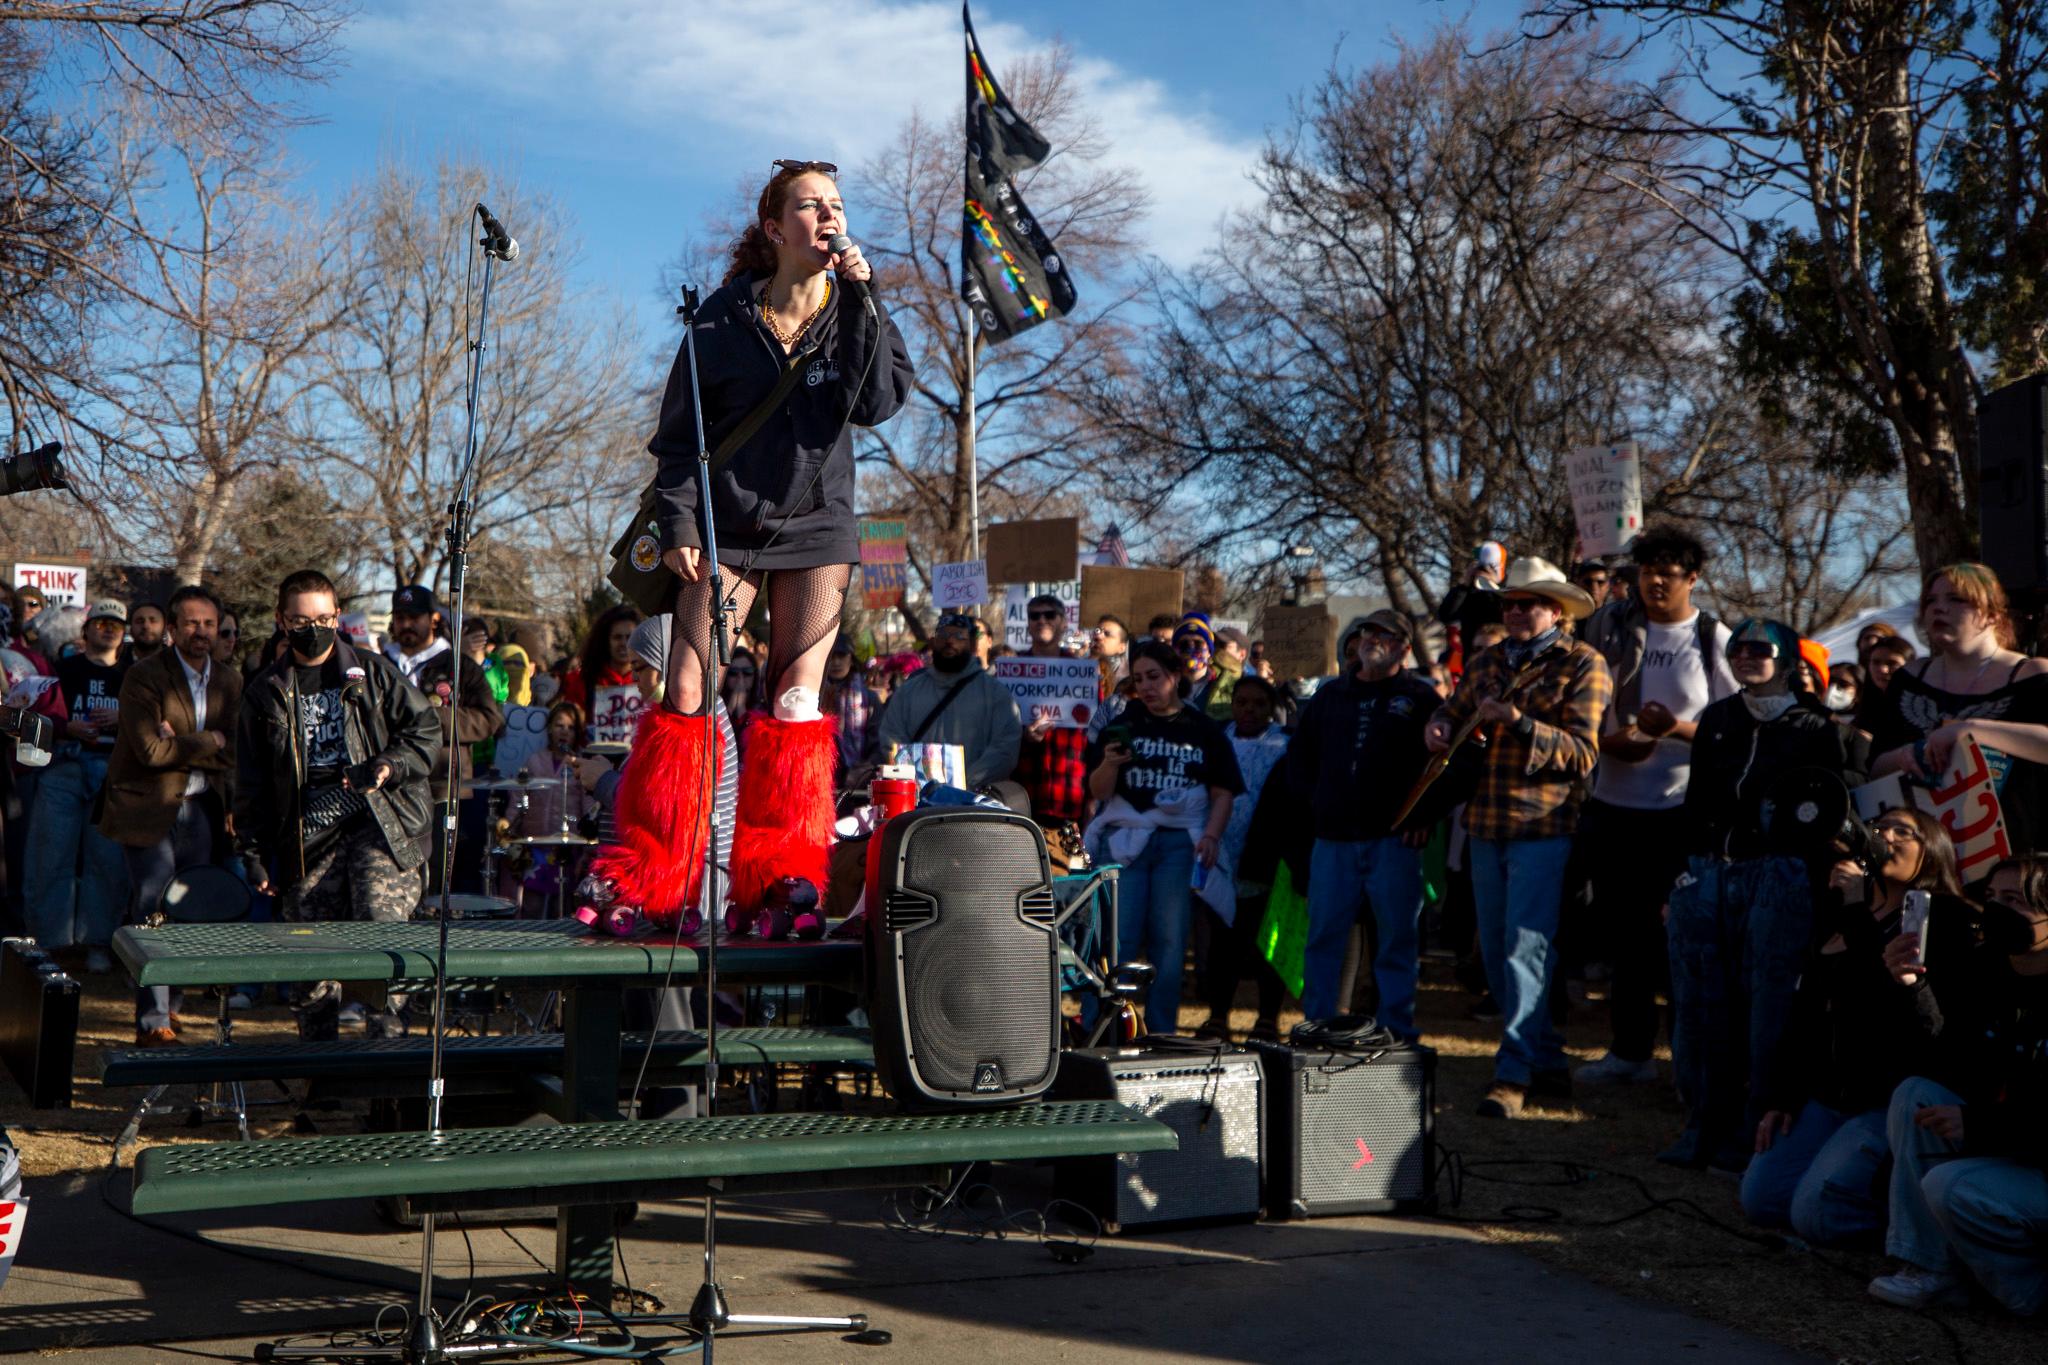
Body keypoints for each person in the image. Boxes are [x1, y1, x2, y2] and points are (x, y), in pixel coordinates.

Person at [592, 159, 912, 925]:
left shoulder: (852, 306)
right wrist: (678, 527)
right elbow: (676, 442)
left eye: (837, 204)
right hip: (725, 530)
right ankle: (647, 875)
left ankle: (780, 882)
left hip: (818, 526)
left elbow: (879, 401)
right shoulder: (719, 319)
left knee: (798, 699)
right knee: (688, 691)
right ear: (775, 228)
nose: (829, 215)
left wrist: (866, 296)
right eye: (812, 205)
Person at [1663, 618, 1858, 1170]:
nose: (1746, 656)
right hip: (1709, 873)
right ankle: (1701, 1125)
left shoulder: (1817, 726)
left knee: (1768, 1004)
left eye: (1760, 649)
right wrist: (1679, 878)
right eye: (1737, 648)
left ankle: (1753, 1131)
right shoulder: (1719, 717)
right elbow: (1696, 801)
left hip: (1780, 874)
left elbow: (1829, 809)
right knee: (1700, 1003)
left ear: (1788, 658)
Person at [1425, 557, 1608, 1119]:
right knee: (1501, 952)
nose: (1516, 611)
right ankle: (1547, 1062)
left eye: (1527, 603)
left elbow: (1583, 754)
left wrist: (1520, 722)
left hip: (1543, 827)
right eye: (1509, 603)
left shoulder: (1584, 664)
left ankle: (1512, 1073)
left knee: (1524, 950)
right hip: (1484, 825)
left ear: (1555, 609)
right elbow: (1449, 713)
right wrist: (1434, 726)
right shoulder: (1486, 661)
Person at [1743, 808, 1966, 1243]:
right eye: (1880, 827)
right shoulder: (1843, 911)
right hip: (1829, 1096)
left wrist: (1857, 910)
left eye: (1905, 831)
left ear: (1933, 852)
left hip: (1884, 1103)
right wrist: (1784, 1097)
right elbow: (1807, 1013)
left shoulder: (1941, 918)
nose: (1887, 835)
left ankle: (1900, 1214)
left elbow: (1900, 1009)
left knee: (1816, 1217)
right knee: (1760, 1200)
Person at [235, 570, 441, 1039]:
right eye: (302, 619)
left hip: (380, 819)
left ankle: (386, 1069)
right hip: (308, 830)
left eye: (325, 617)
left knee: (381, 929)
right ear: (282, 622)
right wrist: (252, 852)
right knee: (310, 957)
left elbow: (426, 731)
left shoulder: (371, 672)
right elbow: (251, 781)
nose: (315, 628)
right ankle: (319, 1072)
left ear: (337, 615)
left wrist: (389, 764)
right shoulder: (264, 690)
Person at [1573, 525, 1736, 1086]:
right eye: (1646, 572)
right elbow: (1584, 704)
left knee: (1681, 938)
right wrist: (1606, 740)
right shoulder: (1609, 628)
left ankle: (1686, 1057)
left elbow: (1730, 730)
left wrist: (1676, 730)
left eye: (1668, 573)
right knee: (1626, 937)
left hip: (1678, 812)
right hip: (1612, 806)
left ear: (1693, 579)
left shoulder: (1713, 638)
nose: (1656, 582)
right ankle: (1630, 1051)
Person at [1870, 853, 2048, 1313]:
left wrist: (1980, 1124)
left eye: (2014, 900)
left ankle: (2028, 1296)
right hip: (2013, 1146)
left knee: (1950, 1186)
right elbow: (1947, 1058)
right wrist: (1912, 987)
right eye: (1991, 898)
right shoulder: (1988, 965)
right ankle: (1929, 1268)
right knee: (1916, 1095)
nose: (1997, 911)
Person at [1287, 608, 1440, 1039]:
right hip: (1333, 839)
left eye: (1385, 635)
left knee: (1395, 941)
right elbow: (1298, 759)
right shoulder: (1330, 696)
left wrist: (1424, 814)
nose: (1373, 639)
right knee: (1323, 939)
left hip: (1393, 840)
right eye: (1367, 631)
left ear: (1404, 649)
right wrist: (1316, 804)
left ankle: (1396, 1028)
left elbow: (1449, 763)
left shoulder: (1421, 699)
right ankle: (1317, 1024)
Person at [98, 586, 240, 1044]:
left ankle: (171, 1006)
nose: (201, 633)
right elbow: (151, 751)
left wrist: (184, 741)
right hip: (148, 808)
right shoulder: (143, 676)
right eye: (192, 624)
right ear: (172, 630)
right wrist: (208, 741)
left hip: (202, 809)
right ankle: (152, 1019)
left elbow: (235, 750)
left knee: (190, 909)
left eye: (209, 624)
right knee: (152, 906)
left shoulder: (231, 681)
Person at [1084, 639, 1244, 1034]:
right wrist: (1109, 764)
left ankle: (1161, 1034)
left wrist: (1211, 835)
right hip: (1125, 841)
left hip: (1177, 845)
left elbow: (1223, 792)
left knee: (1169, 945)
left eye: (1154, 677)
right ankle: (1102, 1030)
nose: (1147, 687)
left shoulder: (1203, 729)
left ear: (1175, 676)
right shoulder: (1123, 725)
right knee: (1115, 941)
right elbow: (1099, 792)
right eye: (1138, 680)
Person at [1870, 563, 2048, 856]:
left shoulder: (2031, 675)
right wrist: (1907, 755)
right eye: (1931, 600)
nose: (1939, 609)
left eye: (1956, 599)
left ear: (1992, 614)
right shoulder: (1909, 679)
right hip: (1923, 855)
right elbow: (1875, 766)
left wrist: (1970, 730)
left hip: (2009, 855)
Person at [24, 599, 131, 966]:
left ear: (124, 631)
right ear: (85, 631)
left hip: (113, 773)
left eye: (115, 624)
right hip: (65, 766)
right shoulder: (63, 669)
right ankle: (48, 943)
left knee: (108, 861)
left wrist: (124, 718)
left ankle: (99, 943)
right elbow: (32, 720)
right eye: (100, 622)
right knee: (50, 856)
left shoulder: (135, 675)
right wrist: (66, 727)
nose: (108, 629)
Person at [1197, 673, 1291, 1041]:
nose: (1249, 710)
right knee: (1223, 938)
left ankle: (1268, 1017)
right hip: (1221, 852)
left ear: (1272, 709)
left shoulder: (1284, 744)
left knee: (1267, 937)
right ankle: (1218, 1015)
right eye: (1242, 703)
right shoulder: (1217, 740)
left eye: (1259, 704)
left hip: (1266, 853)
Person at [873, 613, 1022, 787]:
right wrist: (916, 781)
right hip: (917, 802)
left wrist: (965, 783)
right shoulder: (908, 691)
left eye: (959, 636)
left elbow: (1005, 748)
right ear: (933, 641)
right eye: (943, 635)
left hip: (974, 803)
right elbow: (891, 737)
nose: (950, 642)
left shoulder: (996, 694)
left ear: (972, 644)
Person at [1013, 595, 1088, 833]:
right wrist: (1024, 736)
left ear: (1064, 622)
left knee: (1063, 871)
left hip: (1068, 792)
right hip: (1023, 792)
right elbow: (998, 729)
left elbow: (1095, 732)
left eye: (1049, 615)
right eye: (1035, 616)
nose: (1041, 620)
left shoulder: (1082, 673)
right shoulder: (1013, 670)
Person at [560, 604, 641, 713]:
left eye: (630, 637)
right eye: (617, 637)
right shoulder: (583, 682)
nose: (624, 643)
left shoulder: (650, 681)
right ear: (605, 641)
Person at [1436, 541, 1508, 656]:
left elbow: (1505, 615)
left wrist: (1493, 587)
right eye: (1480, 568)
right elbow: (1445, 615)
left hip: (1501, 657)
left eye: (1489, 568)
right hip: (1471, 659)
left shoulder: (1507, 594)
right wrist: (1464, 585)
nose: (1482, 572)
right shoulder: (1466, 593)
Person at [822, 633, 875, 775]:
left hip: (858, 779)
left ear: (851, 658)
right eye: (831, 656)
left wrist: (864, 770)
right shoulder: (813, 695)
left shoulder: (868, 698)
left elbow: (876, 740)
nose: (836, 662)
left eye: (842, 656)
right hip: (821, 772)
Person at [1173, 612, 1235, 718]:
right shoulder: (1165, 684)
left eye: (1198, 643)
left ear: (1209, 652)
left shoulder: (1228, 685)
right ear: (1175, 650)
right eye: (1184, 644)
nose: (1191, 648)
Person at [1092, 614, 1130, 694]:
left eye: (1107, 634)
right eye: (1097, 631)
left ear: (1122, 648)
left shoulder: (1129, 680)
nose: (1098, 636)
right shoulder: (1077, 666)